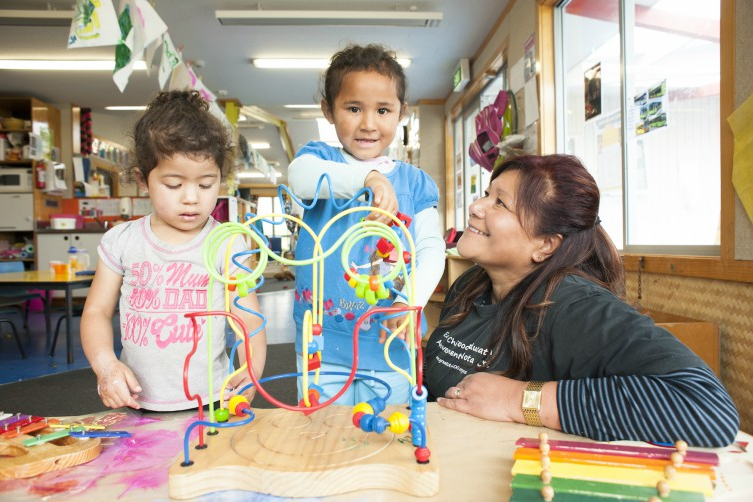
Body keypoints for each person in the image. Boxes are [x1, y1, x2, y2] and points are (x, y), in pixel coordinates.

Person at [424, 154, 739, 447]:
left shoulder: (575, 307)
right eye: (485, 194)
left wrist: (518, 399)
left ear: (545, 245)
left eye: (500, 203)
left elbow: (707, 408)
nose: (476, 207)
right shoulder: (470, 286)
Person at [81, 90, 267, 412]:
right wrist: (106, 365)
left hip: (212, 399)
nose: (191, 198)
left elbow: (248, 320)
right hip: (137, 401)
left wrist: (251, 370)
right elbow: (96, 312)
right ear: (143, 180)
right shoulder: (121, 241)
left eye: (206, 184)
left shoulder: (226, 244)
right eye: (173, 185)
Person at [287, 44, 445, 405]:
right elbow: (300, 178)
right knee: (321, 442)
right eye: (354, 108)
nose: (369, 124)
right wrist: (367, 178)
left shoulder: (415, 182)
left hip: (390, 342)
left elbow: (431, 250)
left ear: (401, 113)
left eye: (383, 110)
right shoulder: (319, 159)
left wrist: (409, 301)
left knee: (389, 441)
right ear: (328, 110)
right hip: (321, 346)